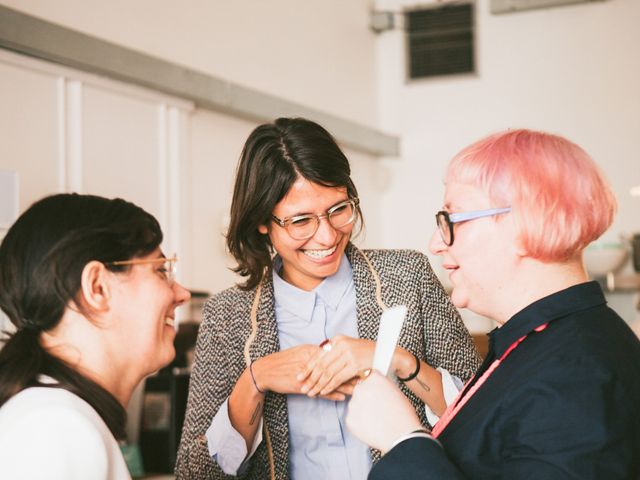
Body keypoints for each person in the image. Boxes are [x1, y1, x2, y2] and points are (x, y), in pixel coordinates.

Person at [175, 117, 480, 479]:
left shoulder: (408, 277)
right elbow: (195, 473)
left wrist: (400, 362)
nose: (326, 236)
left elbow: (482, 416)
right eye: (301, 221)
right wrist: (254, 381)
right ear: (261, 222)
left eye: (338, 209)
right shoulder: (227, 316)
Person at [346, 129, 640, 479]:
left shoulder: (575, 375)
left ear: (522, 224)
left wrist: (403, 441)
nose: (435, 244)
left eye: (451, 221)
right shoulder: (540, 341)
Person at [0, 193, 191, 480]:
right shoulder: (55, 429)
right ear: (97, 287)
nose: (182, 294)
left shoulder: (58, 420)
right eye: (161, 270)